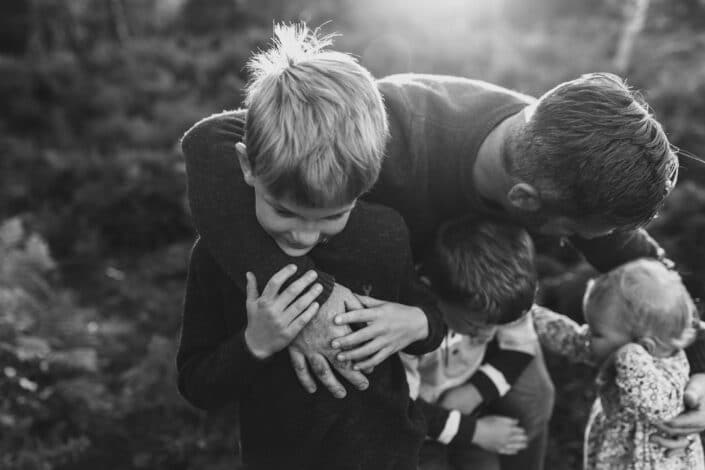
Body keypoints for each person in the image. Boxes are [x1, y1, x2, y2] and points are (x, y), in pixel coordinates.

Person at [182, 70, 705, 449]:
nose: (576, 243)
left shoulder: (560, 161)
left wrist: (700, 370)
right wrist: (304, 296)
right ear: (523, 200)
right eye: (571, 233)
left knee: (532, 398)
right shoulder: (399, 126)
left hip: (446, 315)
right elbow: (212, 138)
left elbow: (641, 265)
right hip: (374, 318)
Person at [176, 24, 445, 470]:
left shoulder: (386, 234)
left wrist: (416, 322)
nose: (303, 236)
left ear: (364, 189)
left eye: (331, 217)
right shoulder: (218, 256)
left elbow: (431, 321)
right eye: (283, 212)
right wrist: (255, 343)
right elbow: (197, 385)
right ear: (246, 166)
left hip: (392, 455)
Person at [402, 216, 554, 470]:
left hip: (470, 408)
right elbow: (402, 409)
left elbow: (519, 346)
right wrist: (476, 432)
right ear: (429, 291)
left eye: (499, 325)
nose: (488, 335)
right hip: (422, 425)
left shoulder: (500, 298)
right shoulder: (407, 329)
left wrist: (475, 391)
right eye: (476, 326)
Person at [533, 259, 705, 469]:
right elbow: (570, 338)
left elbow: (657, 407)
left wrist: (629, 354)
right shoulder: (613, 350)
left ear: (643, 347)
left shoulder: (669, 374)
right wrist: (528, 314)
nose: (588, 335)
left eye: (597, 333)